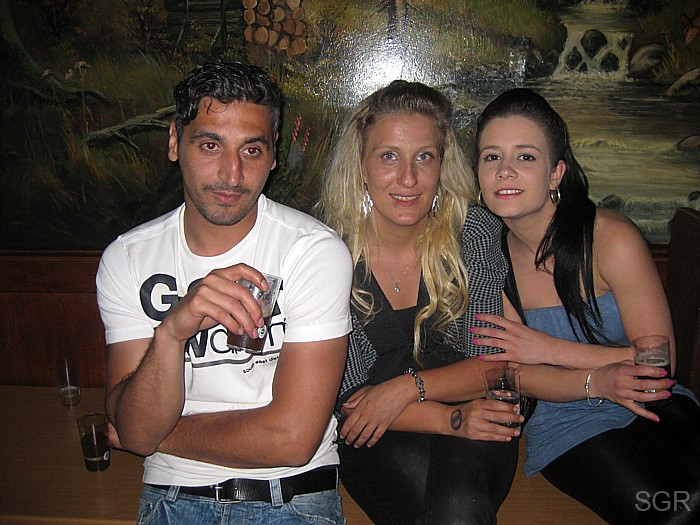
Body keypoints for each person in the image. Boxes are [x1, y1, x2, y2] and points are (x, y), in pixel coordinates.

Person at [96, 62, 353, 525]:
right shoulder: (128, 259)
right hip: (172, 498)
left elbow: (292, 441)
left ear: (273, 156)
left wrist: (158, 436)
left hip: (291, 497)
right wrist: (172, 332)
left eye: (251, 150)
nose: (232, 175)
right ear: (174, 142)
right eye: (210, 145)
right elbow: (133, 426)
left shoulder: (312, 252)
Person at [472, 87, 700, 524]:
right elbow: (517, 373)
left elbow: (659, 361)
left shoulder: (610, 238)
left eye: (525, 156)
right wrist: (598, 381)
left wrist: (548, 348)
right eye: (491, 157)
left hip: (653, 398)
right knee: (667, 513)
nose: (505, 171)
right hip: (567, 420)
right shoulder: (489, 258)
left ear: (555, 173)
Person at [318, 80, 522, 525]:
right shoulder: (327, 252)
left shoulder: (473, 234)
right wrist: (451, 418)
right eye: (389, 156)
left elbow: (493, 364)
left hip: (476, 415)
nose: (408, 178)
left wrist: (405, 388)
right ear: (361, 166)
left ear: (442, 164)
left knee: (458, 505)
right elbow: (349, 399)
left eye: (424, 157)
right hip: (383, 431)